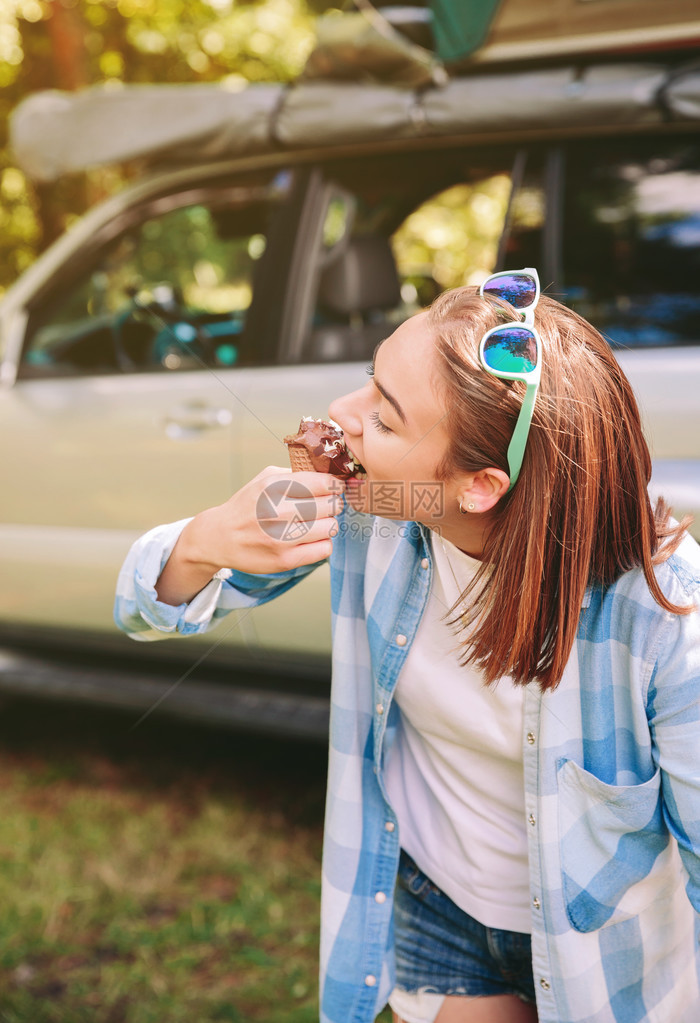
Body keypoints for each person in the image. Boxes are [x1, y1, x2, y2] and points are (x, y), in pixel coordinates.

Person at [114, 269, 700, 1023]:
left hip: (601, 955)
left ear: (479, 485)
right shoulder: (378, 509)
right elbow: (147, 607)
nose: (341, 414)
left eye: (384, 420)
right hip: (436, 906)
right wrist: (200, 543)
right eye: (369, 381)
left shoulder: (661, 618)